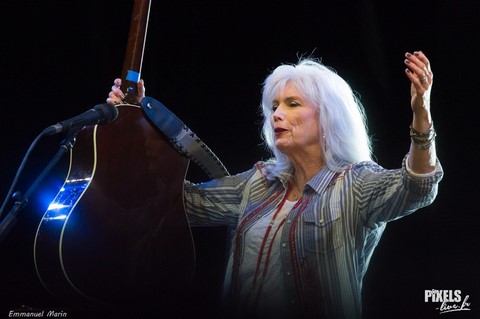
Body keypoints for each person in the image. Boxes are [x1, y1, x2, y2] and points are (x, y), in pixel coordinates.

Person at [107, 51, 443, 319]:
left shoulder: (354, 182)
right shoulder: (259, 181)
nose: (276, 114)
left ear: (328, 116)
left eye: (292, 104)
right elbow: (174, 203)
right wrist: (131, 126)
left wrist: (421, 115)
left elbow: (418, 187)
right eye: (273, 106)